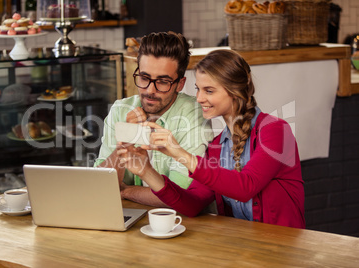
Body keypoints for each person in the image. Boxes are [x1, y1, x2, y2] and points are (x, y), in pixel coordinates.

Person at [117, 49, 306, 228]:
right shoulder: (217, 146)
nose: (198, 98)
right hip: (245, 246)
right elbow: (192, 204)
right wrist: (146, 171)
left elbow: (245, 187)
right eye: (198, 89)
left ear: (235, 91)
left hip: (283, 247)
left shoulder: (276, 131)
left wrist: (180, 153)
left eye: (209, 90)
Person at [94, 31, 213, 207]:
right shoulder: (120, 110)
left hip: (182, 223)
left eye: (163, 81)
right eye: (144, 78)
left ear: (180, 84)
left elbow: (179, 196)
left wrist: (126, 191)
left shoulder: (194, 114)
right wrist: (125, 140)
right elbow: (99, 186)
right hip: (134, 219)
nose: (150, 90)